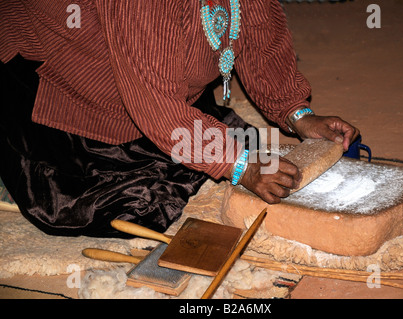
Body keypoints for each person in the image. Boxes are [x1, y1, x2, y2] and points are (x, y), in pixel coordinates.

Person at [0, 0, 358, 238]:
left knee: (211, 147)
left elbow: (258, 28)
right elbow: (153, 101)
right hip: (69, 82)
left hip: (150, 66)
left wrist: (296, 112)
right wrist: (238, 163)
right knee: (134, 195)